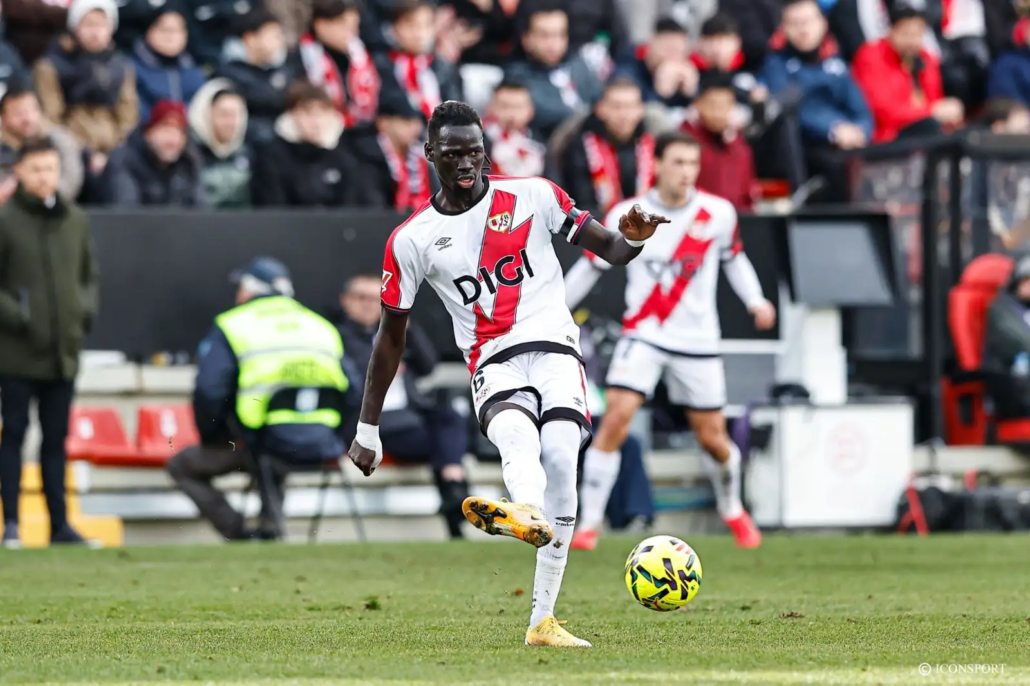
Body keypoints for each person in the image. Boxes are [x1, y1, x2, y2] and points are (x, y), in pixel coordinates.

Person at [345, 100, 667, 648]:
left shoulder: (535, 195)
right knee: (515, 433)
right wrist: (367, 428)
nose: (466, 163)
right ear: (430, 154)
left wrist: (633, 236)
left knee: (561, 455)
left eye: (475, 151)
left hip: (555, 345)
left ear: (485, 150)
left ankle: (542, 619)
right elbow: (389, 338)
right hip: (491, 357)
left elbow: (611, 250)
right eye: (453, 154)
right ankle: (526, 511)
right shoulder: (411, 239)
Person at [562, 130, 774, 552]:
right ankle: (589, 525)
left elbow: (735, 260)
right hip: (643, 333)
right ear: (656, 164)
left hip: (698, 339)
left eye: (693, 163)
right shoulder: (629, 212)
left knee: (713, 438)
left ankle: (732, 508)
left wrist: (756, 300)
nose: (686, 172)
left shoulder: (718, 214)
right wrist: (558, 306)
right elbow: (592, 265)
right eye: (678, 162)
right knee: (616, 419)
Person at [166, 257, 359, 541]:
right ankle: (270, 528)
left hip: (262, 443)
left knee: (182, 465)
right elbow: (355, 391)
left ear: (248, 289)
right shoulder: (321, 326)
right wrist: (337, 439)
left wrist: (214, 436)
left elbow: (209, 390)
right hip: (320, 445)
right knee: (276, 445)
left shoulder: (233, 324)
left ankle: (239, 533)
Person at [0, 137, 99, 549]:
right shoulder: (5, 221)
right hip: (16, 354)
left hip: (63, 354)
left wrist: (81, 314)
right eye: (36, 168)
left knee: (56, 440)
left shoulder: (75, 220)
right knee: (13, 435)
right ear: (20, 172)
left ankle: (60, 525)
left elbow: (88, 277)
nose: (44, 177)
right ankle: (11, 525)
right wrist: (19, 316)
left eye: (51, 168)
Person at [335, 274, 469, 539]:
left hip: (410, 414)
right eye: (362, 297)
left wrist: (407, 326)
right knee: (442, 442)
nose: (369, 305)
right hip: (371, 421)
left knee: (450, 417)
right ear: (346, 301)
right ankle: (456, 494)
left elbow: (428, 365)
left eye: (377, 299)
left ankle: (454, 487)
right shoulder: (338, 337)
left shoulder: (393, 332)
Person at [851, 5, 963, 144]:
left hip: (925, 128)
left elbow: (935, 100)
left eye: (917, 34)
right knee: (930, 126)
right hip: (889, 136)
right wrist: (932, 111)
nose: (912, 41)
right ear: (891, 30)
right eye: (905, 34)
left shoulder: (925, 59)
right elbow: (883, 112)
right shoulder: (871, 56)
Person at [250, 80, 361, 207]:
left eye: (322, 112)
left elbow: (350, 207)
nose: (316, 121)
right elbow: (273, 206)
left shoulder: (344, 157)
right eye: (308, 112)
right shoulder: (272, 156)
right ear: (291, 114)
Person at [102, 99, 201, 206]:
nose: (172, 140)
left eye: (178, 132)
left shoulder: (188, 164)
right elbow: (125, 209)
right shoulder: (123, 161)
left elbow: (201, 210)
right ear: (148, 133)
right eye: (166, 130)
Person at [0, 84, 85, 203]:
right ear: (3, 117)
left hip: (53, 207)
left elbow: (71, 183)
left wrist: (42, 192)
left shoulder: (59, 139)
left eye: (32, 110)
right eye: (18, 113)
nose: (27, 118)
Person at [188, 79, 253, 208]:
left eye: (236, 115)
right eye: (224, 115)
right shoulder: (189, 155)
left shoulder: (250, 153)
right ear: (206, 115)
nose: (231, 122)